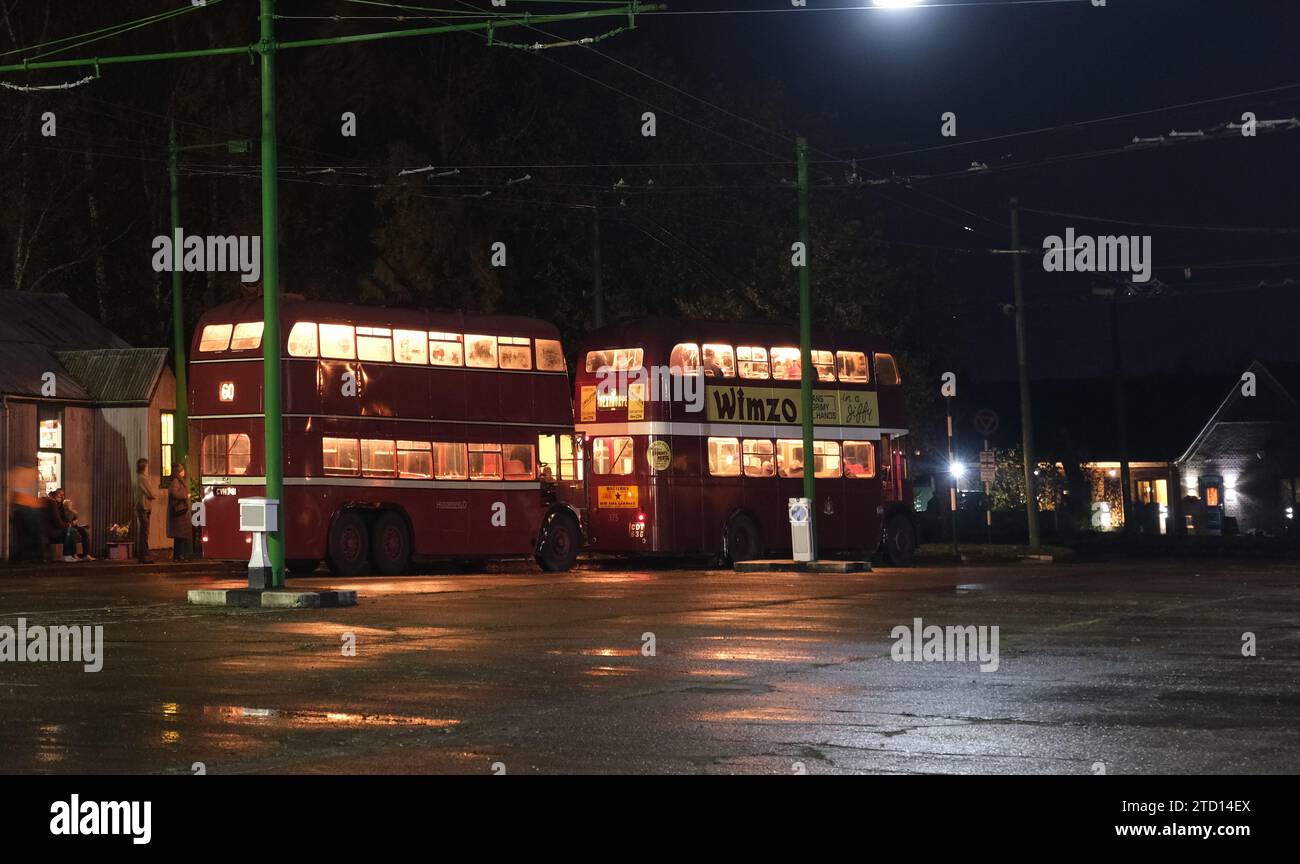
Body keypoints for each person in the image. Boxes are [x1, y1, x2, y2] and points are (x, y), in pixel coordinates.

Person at [44, 489, 79, 562]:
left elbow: (64, 519)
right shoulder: (52, 503)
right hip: (52, 530)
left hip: (57, 528)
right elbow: (58, 522)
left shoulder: (58, 505)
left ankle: (72, 554)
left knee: (73, 530)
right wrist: (69, 525)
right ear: (54, 495)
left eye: (63, 495)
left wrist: (68, 512)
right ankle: (66, 555)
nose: (62, 497)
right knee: (71, 530)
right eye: (59, 495)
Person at [167, 462, 191, 561]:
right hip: (179, 512)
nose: (184, 472)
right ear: (179, 472)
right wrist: (186, 495)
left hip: (180, 512)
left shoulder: (178, 481)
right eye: (182, 470)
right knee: (181, 535)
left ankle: (178, 556)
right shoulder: (176, 481)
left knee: (179, 536)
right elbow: (174, 493)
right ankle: (180, 556)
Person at [60, 494, 95, 560]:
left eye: (71, 504)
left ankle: (86, 554)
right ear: (66, 505)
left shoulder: (74, 512)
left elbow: (76, 521)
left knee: (84, 531)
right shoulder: (63, 512)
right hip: (68, 528)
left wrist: (75, 519)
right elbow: (66, 521)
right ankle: (74, 554)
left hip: (74, 526)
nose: (71, 506)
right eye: (69, 504)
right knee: (74, 532)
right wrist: (72, 520)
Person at [135, 458, 156, 564]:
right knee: (144, 532)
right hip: (144, 508)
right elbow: (152, 493)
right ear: (144, 467)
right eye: (147, 466)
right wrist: (153, 493)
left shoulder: (140, 478)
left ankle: (143, 555)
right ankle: (144, 556)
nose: (148, 469)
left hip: (143, 507)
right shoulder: (143, 478)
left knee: (144, 532)